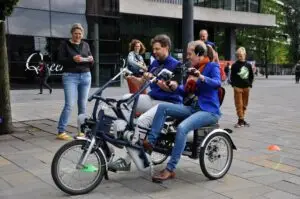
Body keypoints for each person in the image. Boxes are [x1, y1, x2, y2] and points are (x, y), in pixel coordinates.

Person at [143, 40, 221, 181]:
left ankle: (170, 169)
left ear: (199, 53)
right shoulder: (193, 69)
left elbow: (217, 83)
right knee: (162, 108)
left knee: (182, 127)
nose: (188, 57)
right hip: (194, 107)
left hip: (209, 111)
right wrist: (173, 86)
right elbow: (184, 91)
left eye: (190, 54)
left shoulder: (212, 66)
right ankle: (151, 141)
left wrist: (201, 77)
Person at [108, 34, 182, 171]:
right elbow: (142, 81)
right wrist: (130, 77)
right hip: (152, 99)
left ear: (166, 47)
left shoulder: (176, 65)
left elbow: (173, 89)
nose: (154, 52)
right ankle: (127, 130)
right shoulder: (155, 63)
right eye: (153, 49)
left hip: (167, 103)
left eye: (157, 49)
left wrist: (156, 80)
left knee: (142, 120)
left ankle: (129, 158)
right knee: (125, 98)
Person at [56, 23, 94, 140]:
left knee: (82, 105)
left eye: (80, 34)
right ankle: (61, 131)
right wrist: (72, 59)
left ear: (82, 34)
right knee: (69, 104)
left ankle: (81, 131)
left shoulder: (86, 45)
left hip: (86, 75)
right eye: (75, 33)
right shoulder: (65, 44)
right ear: (72, 33)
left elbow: (90, 61)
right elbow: (60, 60)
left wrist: (91, 60)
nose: (78, 36)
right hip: (70, 76)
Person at [230, 47, 254, 128]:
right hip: (238, 88)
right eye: (238, 56)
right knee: (239, 104)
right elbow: (232, 77)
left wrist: (250, 84)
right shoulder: (234, 65)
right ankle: (241, 119)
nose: (239, 57)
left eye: (241, 56)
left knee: (244, 104)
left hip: (246, 87)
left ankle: (241, 120)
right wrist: (234, 86)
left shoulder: (248, 65)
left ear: (245, 55)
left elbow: (251, 75)